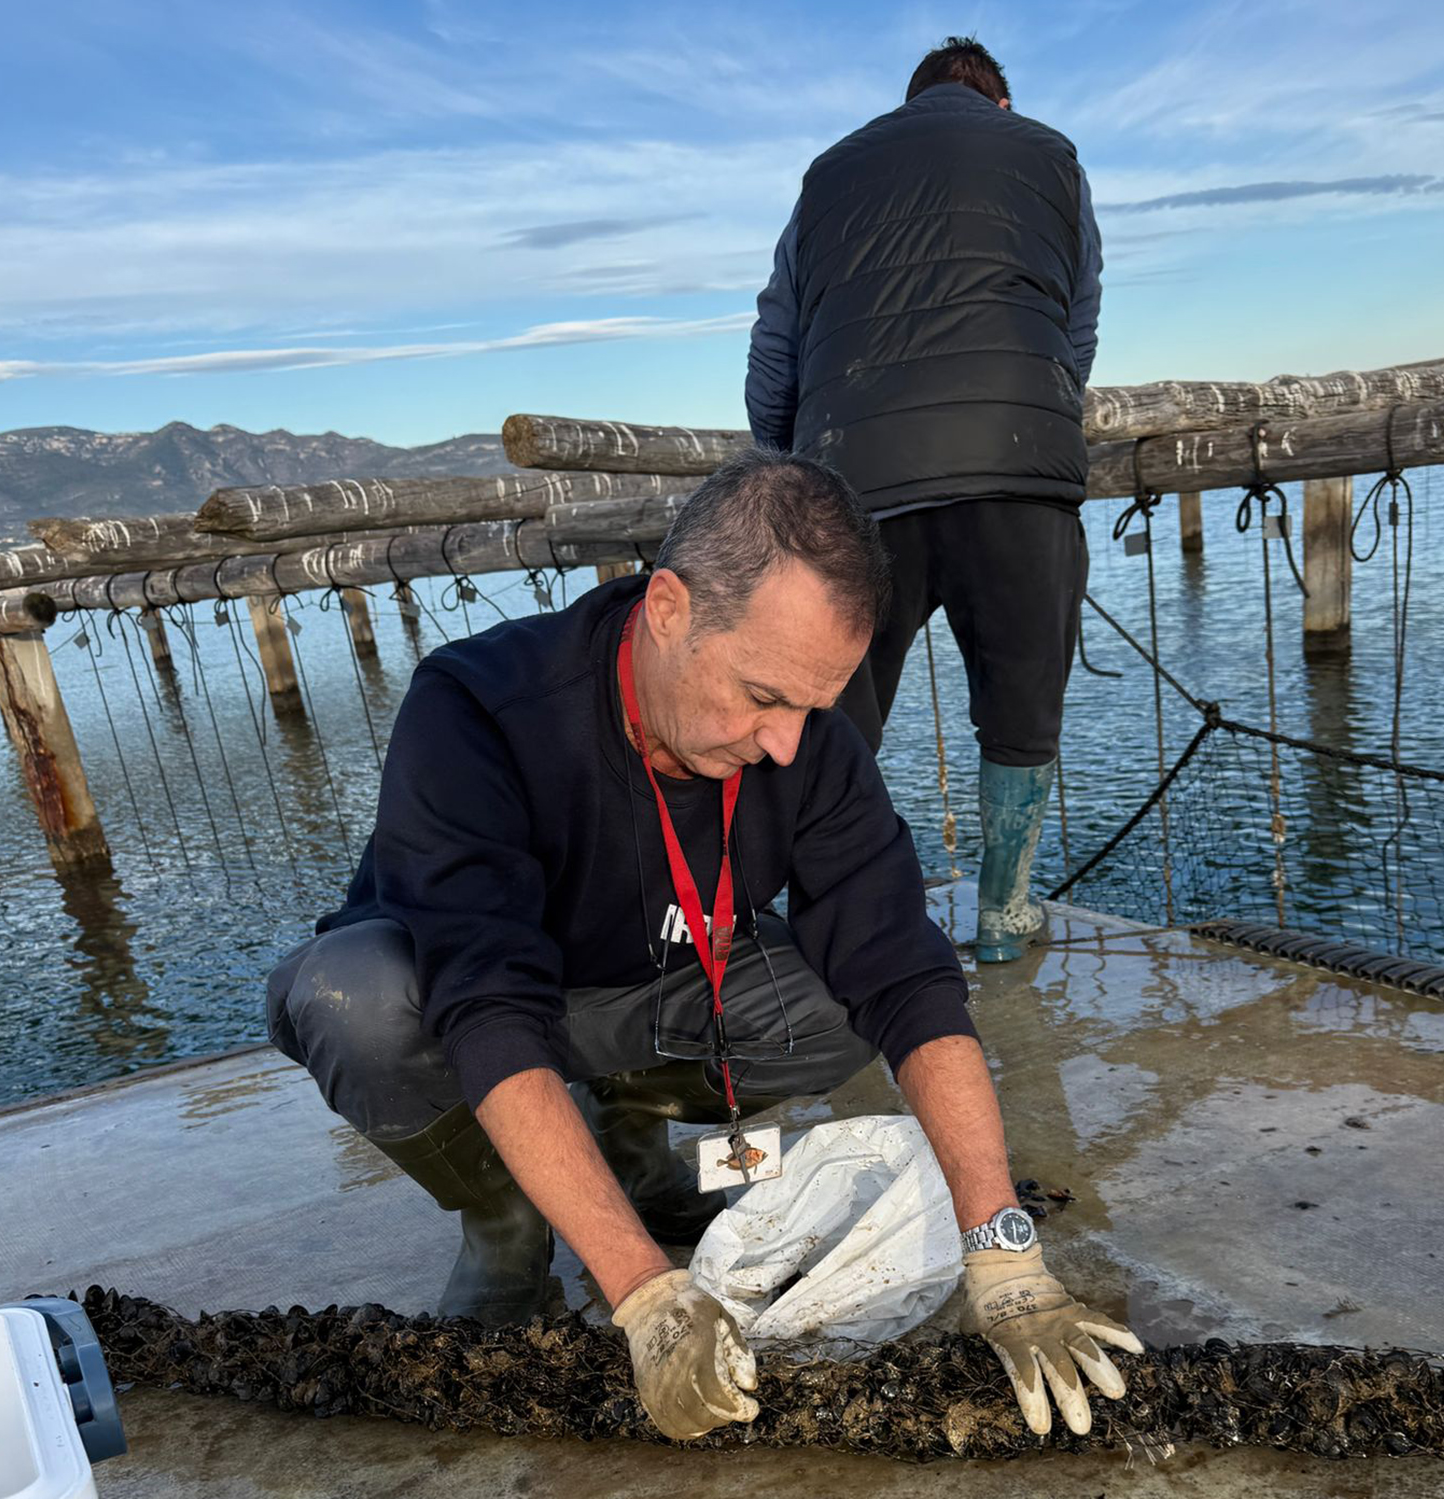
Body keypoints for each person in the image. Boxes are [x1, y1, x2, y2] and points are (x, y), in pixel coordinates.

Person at [265, 450, 1138, 1442]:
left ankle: (627, 1138)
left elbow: (904, 969)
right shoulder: (477, 707)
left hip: (654, 987)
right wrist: (643, 1291)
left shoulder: (803, 737)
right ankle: (502, 1218)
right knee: (356, 998)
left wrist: (1001, 1248)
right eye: (762, 695)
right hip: (472, 1003)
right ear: (668, 608)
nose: (782, 745)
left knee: (837, 1002)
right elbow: (488, 1003)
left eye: (812, 706)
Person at [746, 36, 1102, 964]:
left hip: (856, 486)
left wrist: (795, 469)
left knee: (835, 720)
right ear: (1000, 105)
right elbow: (1077, 321)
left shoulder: (827, 175)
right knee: (1020, 711)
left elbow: (775, 349)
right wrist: (1035, 415)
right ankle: (1003, 918)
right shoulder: (1050, 156)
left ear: (909, 104)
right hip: (1019, 472)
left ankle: (847, 935)